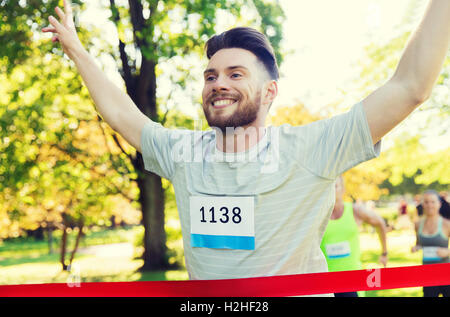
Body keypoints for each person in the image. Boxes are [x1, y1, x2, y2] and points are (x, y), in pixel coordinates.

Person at [43, 0, 450, 296]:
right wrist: (77, 50)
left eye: (236, 73)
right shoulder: (183, 153)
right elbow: (121, 113)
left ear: (270, 90)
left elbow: (410, 87)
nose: (218, 83)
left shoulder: (313, 148)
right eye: (210, 75)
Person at [320, 176, 388, 297]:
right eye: (327, 187)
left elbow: (380, 223)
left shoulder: (355, 210)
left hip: (352, 280)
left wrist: (384, 253)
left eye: (335, 186)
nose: (331, 191)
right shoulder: (319, 216)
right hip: (326, 280)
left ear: (343, 189)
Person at [411, 190, 450, 297]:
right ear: (422, 204)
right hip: (427, 275)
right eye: (426, 202)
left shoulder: (447, 224)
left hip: (446, 274)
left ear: (439, 204)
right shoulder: (418, 224)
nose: (429, 205)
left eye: (433, 202)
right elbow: (419, 243)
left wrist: (447, 252)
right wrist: (416, 247)